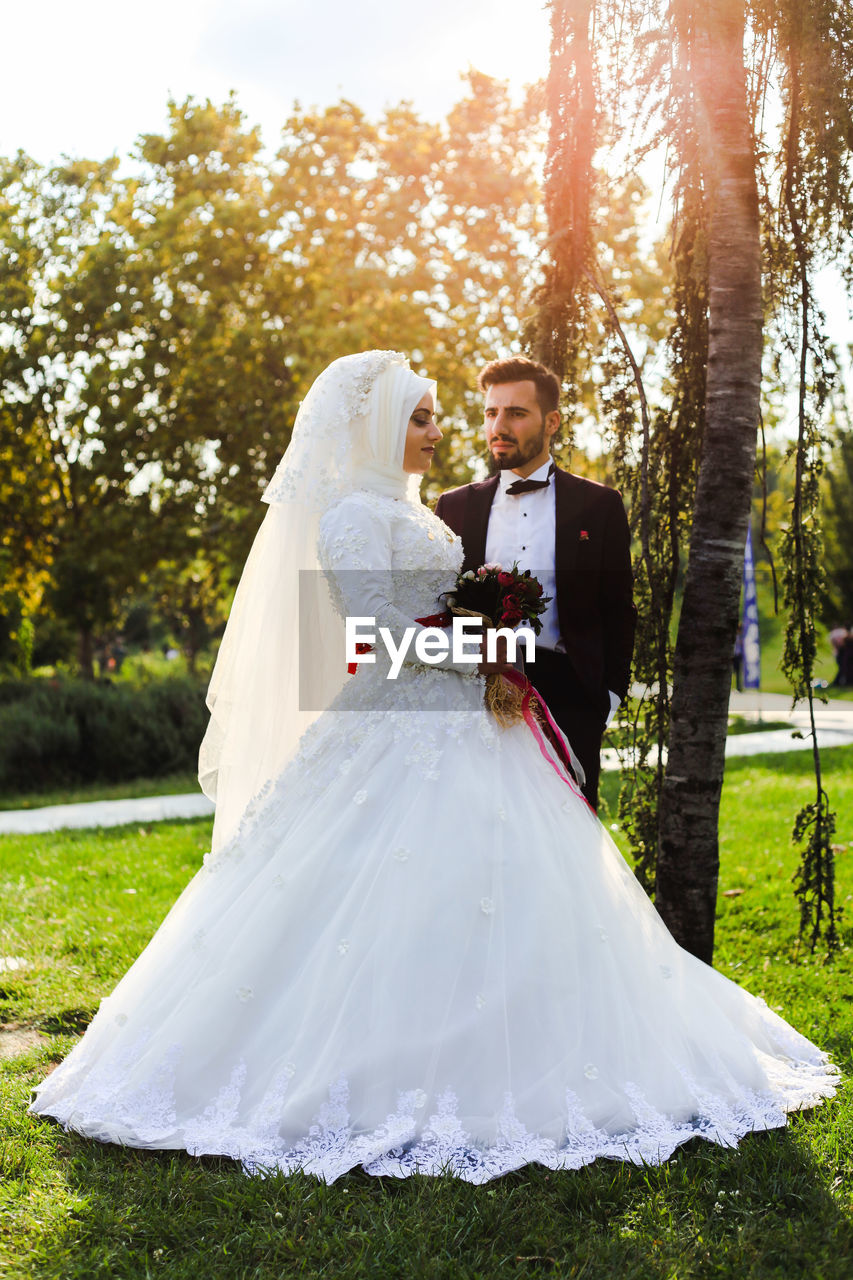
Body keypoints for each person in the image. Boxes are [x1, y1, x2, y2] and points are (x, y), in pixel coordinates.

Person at [29, 351, 836, 1184]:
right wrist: (486, 652)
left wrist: (492, 643)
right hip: (398, 725)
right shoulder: (348, 516)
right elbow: (372, 633)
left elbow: (469, 606)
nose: (441, 430)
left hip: (478, 723)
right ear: (378, 426)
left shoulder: (412, 511)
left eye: (434, 417)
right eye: (420, 418)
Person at [435, 357, 635, 809]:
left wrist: (609, 696)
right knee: (479, 824)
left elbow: (619, 607)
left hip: (570, 696)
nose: (498, 426)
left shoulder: (599, 505)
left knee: (567, 835)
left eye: (515, 413)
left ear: (552, 422)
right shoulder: (453, 506)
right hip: (475, 691)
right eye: (491, 412)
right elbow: (437, 603)